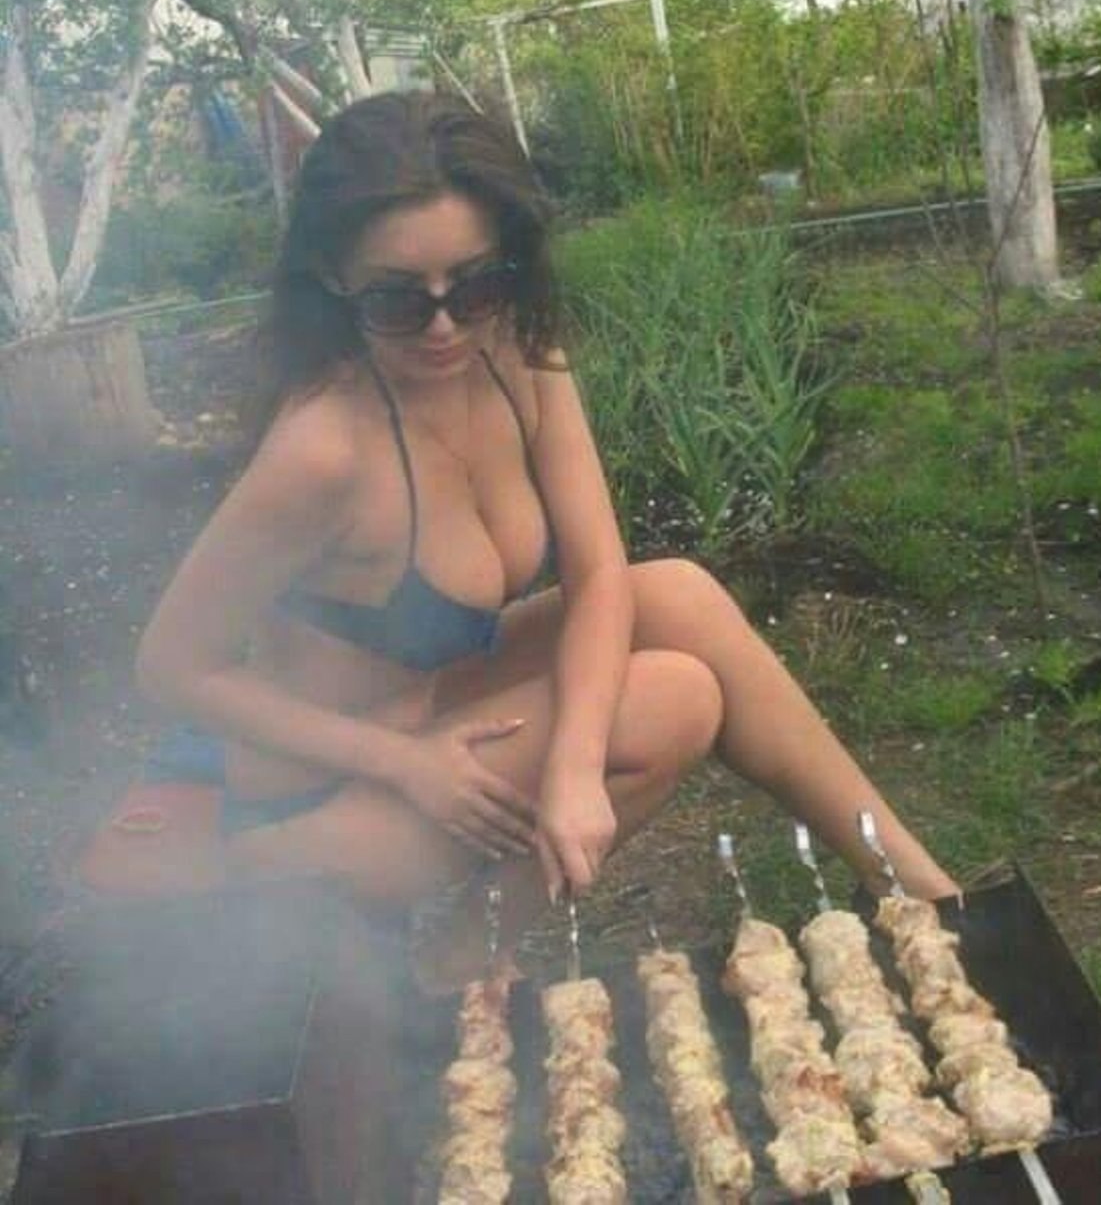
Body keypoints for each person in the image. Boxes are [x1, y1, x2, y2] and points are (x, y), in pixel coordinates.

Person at [135, 90, 957, 989]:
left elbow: (601, 573)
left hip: (435, 711)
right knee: (673, 699)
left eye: (477, 286)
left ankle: (916, 888)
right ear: (334, 277)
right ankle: (461, 960)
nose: (446, 327)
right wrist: (403, 762)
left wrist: (572, 767)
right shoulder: (323, 450)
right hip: (316, 802)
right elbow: (172, 667)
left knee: (675, 591)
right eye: (399, 301)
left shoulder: (518, 352)